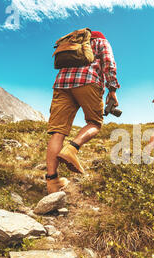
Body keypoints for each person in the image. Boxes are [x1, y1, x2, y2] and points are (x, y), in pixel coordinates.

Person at [45, 30, 120, 194]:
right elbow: (109, 63)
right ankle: (72, 148)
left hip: (61, 84)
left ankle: (52, 181)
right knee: (94, 123)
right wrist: (112, 90)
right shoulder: (101, 42)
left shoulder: (72, 43)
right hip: (88, 80)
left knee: (58, 131)